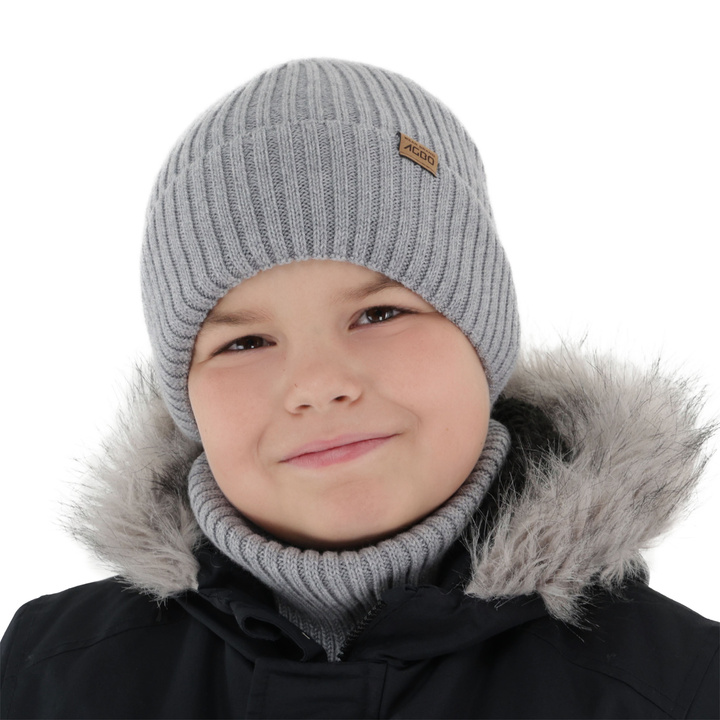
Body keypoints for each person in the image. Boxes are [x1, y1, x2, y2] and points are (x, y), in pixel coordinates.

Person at [1, 58, 717, 719]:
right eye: (244, 342)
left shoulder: (677, 689)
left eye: (379, 315)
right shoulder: (48, 674)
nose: (317, 385)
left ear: (483, 339)